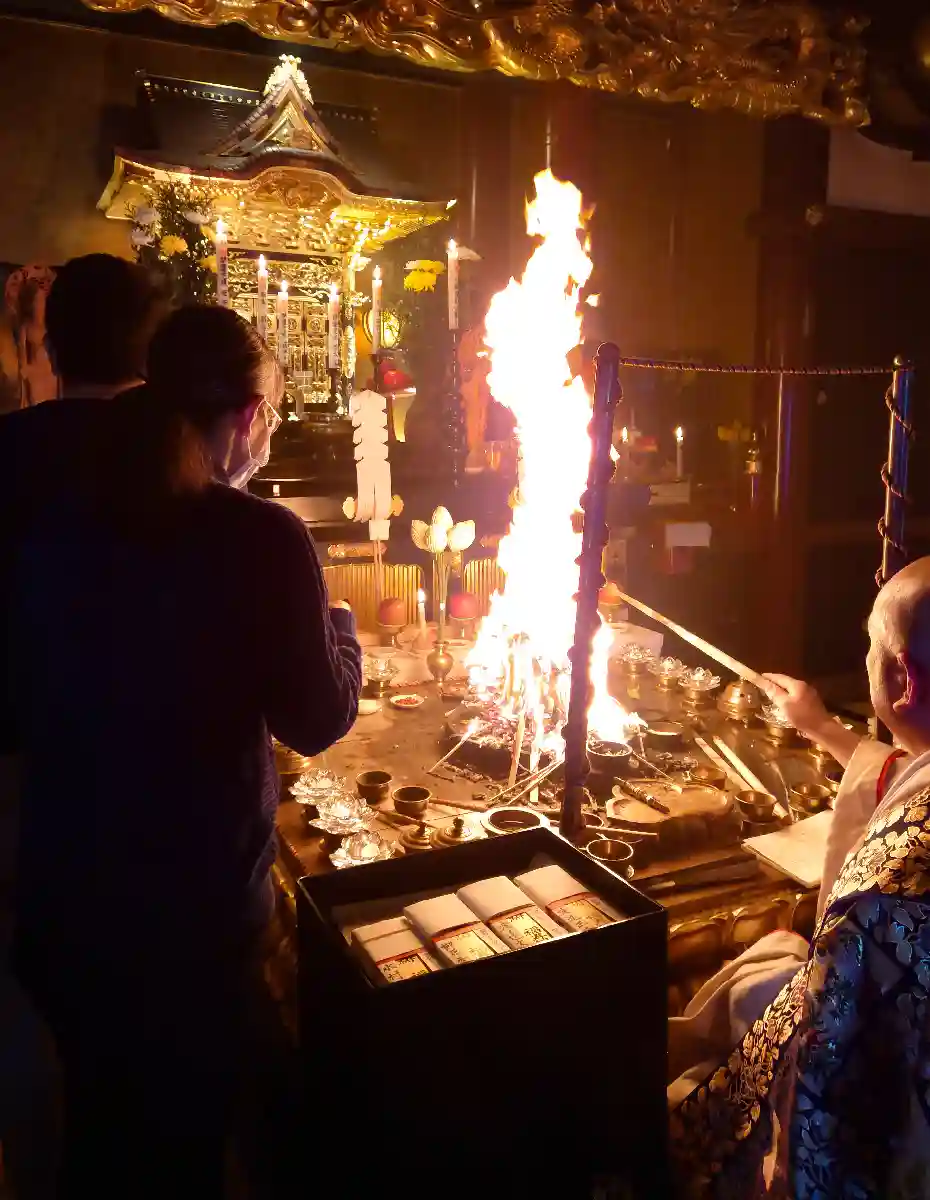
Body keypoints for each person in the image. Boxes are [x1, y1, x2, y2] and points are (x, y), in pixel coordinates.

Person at [2, 304, 362, 1197]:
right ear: (248, 417)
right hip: (190, 923)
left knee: (101, 1131)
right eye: (269, 413)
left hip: (65, 900)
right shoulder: (257, 534)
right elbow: (317, 718)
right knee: (184, 1145)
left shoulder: (62, 513)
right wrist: (343, 630)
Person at [670, 556, 930, 1197]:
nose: (865, 656)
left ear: (903, 679)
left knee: (749, 993)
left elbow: (824, 1063)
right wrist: (820, 727)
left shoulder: (886, 890)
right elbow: (905, 770)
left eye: (872, 644)